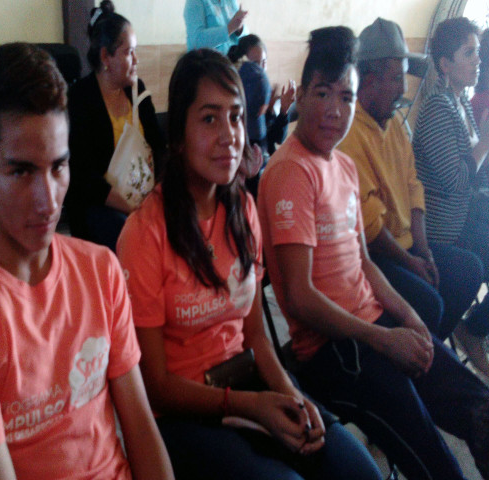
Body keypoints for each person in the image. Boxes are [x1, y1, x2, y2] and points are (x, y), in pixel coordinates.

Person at [117, 48, 383, 480]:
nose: (229, 135)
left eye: (237, 117)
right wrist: (250, 406)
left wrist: (291, 396)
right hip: (185, 413)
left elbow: (256, 334)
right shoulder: (144, 233)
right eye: (209, 118)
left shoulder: (242, 208)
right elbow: (156, 386)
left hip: (247, 383)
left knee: (355, 470)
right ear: (178, 135)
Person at [0, 42, 174, 480]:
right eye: (21, 171)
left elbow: (141, 426)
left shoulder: (101, 271)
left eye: (58, 167)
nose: (48, 200)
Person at [257, 25, 489, 480]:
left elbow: (363, 261)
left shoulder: (342, 165)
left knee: (478, 407)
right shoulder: (290, 172)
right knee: (433, 456)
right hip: (332, 351)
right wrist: (385, 339)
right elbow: (301, 298)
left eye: (346, 97)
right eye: (322, 93)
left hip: (373, 324)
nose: (335, 109)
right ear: (300, 96)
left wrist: (410, 319)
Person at [337, 18, 488, 373]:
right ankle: (419, 365)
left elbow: (413, 184)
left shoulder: (393, 122)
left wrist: (422, 250)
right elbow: (370, 225)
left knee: (467, 271)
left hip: (411, 243)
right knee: (430, 301)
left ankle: (427, 359)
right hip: (378, 254)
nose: (403, 88)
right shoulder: (349, 133)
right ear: (367, 79)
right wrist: (410, 261)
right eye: (395, 77)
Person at [413, 17, 489, 375]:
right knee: (474, 266)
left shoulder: (460, 104)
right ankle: (468, 332)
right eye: (468, 53)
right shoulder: (437, 109)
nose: (478, 60)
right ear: (445, 64)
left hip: (464, 219)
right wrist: (487, 140)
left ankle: (472, 328)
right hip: (441, 231)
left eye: (478, 53)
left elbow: (476, 174)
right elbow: (458, 181)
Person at [66, 0, 165, 251]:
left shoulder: (137, 90)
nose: (136, 60)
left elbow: (159, 146)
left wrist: (157, 197)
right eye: (129, 52)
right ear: (105, 57)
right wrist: (133, 208)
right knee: (133, 234)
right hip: (101, 205)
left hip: (143, 198)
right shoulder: (80, 98)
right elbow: (82, 175)